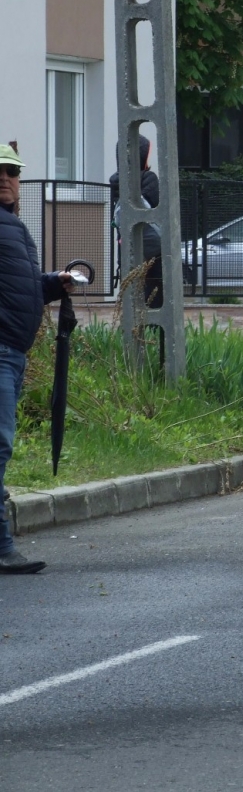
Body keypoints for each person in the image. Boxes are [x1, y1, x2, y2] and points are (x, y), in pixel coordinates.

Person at [0, 143, 78, 574]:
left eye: (12, 171)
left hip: (12, 352)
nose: (5, 178)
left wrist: (51, 284)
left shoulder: (13, 227)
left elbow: (17, 287)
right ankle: (2, 547)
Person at [109, 135, 163, 308]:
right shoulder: (149, 178)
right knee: (155, 294)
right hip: (154, 251)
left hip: (126, 245)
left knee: (130, 293)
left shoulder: (115, 181)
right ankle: (153, 322)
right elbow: (156, 208)